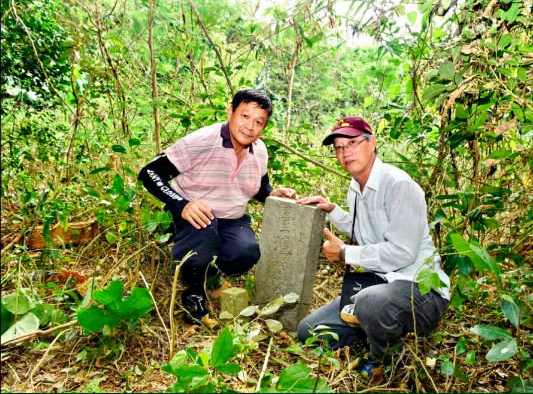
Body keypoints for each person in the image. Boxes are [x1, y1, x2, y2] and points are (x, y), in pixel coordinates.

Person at [296, 116, 450, 378]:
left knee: (370, 302)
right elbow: (368, 233)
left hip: (421, 290)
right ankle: (375, 330)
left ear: (372, 143)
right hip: (380, 285)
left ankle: (387, 357)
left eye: (353, 143)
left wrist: (345, 253)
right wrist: (333, 210)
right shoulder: (356, 187)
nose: (346, 153)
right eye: (339, 148)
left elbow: (402, 253)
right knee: (309, 330)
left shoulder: (399, 185)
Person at [138, 89, 297, 325]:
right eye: (244, 116)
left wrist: (273, 194)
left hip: (231, 219)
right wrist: (181, 204)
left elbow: (260, 187)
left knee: (246, 253)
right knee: (203, 226)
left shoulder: (260, 151)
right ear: (230, 111)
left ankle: (209, 270)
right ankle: (193, 290)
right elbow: (150, 172)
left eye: (258, 121)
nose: (250, 126)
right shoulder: (203, 140)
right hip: (191, 215)